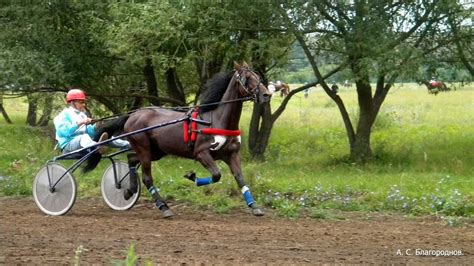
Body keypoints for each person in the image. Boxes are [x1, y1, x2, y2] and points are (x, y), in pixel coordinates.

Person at [53, 89, 129, 154]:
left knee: (106, 135)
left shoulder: (82, 115)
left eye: (84, 102)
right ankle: (97, 147)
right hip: (68, 146)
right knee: (84, 137)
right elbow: (65, 132)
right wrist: (81, 122)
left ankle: (128, 145)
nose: (84, 105)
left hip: (84, 143)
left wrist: (96, 127)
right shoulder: (62, 116)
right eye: (81, 102)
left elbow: (89, 132)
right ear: (72, 103)